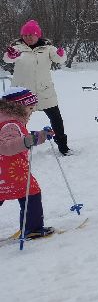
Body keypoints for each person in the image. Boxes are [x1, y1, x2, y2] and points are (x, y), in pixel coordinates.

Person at [5, 20, 70, 156]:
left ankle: (63, 146)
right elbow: (8, 58)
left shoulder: (48, 48)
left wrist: (60, 54)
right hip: (23, 93)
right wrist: (11, 56)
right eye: (25, 34)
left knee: (56, 119)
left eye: (31, 34)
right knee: (18, 122)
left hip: (44, 91)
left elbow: (59, 59)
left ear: (38, 35)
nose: (28, 37)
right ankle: (17, 148)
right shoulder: (17, 47)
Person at [0, 87, 55, 240]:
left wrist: (40, 136)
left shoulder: (5, 120)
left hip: (4, 171)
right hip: (11, 171)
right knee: (31, 193)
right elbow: (6, 147)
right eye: (30, 108)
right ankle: (33, 229)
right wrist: (30, 140)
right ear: (18, 106)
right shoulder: (10, 123)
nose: (31, 112)